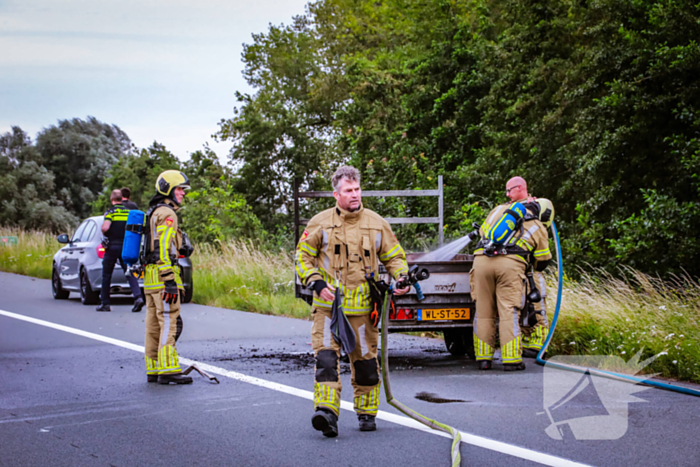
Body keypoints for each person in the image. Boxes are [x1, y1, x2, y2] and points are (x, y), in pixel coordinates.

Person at [296, 166, 410, 437]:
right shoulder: (319, 223)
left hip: (363, 311)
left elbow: (394, 257)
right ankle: (326, 412)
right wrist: (316, 282)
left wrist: (402, 277)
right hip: (328, 309)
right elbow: (302, 257)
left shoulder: (376, 222)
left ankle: (367, 414)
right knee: (325, 359)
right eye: (348, 190)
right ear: (336, 194)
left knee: (366, 364)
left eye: (357, 189)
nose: (355, 194)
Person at [470, 176, 552, 370]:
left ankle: (483, 359)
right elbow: (542, 259)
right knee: (508, 311)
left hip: (480, 262)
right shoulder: (537, 224)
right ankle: (511, 360)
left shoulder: (497, 211)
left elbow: (483, 234)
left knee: (483, 312)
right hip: (509, 265)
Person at [142, 170, 191, 385]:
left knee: (153, 324)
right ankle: (168, 368)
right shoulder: (168, 214)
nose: (182, 193)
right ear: (168, 189)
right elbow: (163, 247)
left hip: (150, 279)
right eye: (179, 189)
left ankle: (153, 368)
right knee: (170, 322)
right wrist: (170, 278)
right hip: (163, 278)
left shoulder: (153, 212)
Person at [96, 189, 145, 313]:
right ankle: (138, 297)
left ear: (112, 199)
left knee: (106, 275)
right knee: (129, 272)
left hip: (112, 246)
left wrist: (104, 232)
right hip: (126, 246)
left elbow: (105, 227)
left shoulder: (111, 212)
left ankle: (105, 303)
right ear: (122, 198)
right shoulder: (128, 212)